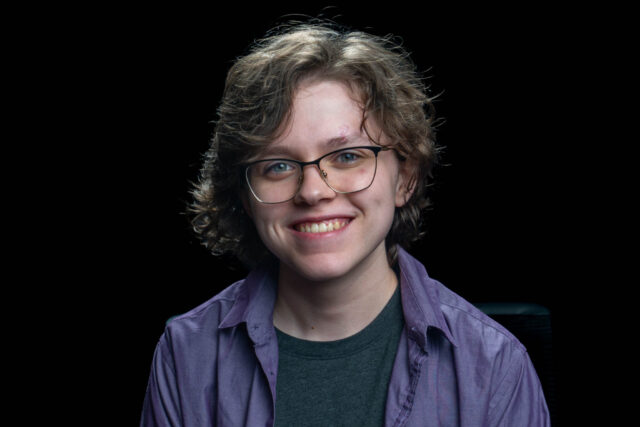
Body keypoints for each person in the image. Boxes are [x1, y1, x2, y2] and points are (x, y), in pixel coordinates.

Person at [140, 22, 550, 426]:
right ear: (246, 197)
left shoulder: (496, 367)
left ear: (405, 179)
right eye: (277, 165)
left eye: (348, 156)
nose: (313, 191)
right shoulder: (185, 357)